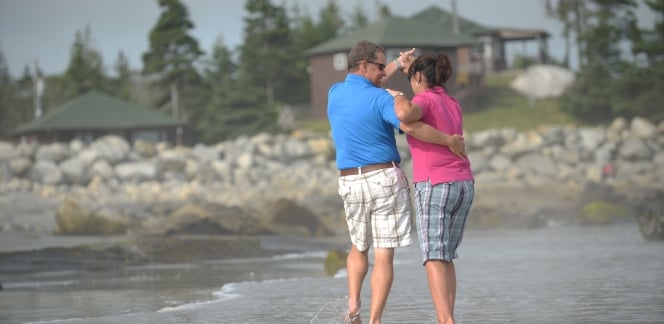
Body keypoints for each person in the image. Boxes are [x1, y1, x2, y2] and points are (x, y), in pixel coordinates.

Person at [327, 40, 465, 324]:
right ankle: (375, 320)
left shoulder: (334, 93)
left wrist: (393, 65)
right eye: (380, 66)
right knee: (384, 255)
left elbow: (368, 81)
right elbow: (411, 125)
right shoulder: (382, 100)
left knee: (357, 246)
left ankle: (353, 304)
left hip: (350, 180)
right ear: (365, 64)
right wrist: (449, 140)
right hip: (384, 178)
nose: (383, 72)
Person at [387, 54, 475, 324]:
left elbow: (404, 115)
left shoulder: (423, 99)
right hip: (463, 182)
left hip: (436, 183)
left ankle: (445, 320)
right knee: (446, 255)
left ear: (419, 78)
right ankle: (447, 318)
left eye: (412, 79)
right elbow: (415, 126)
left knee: (433, 256)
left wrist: (398, 95)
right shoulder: (452, 101)